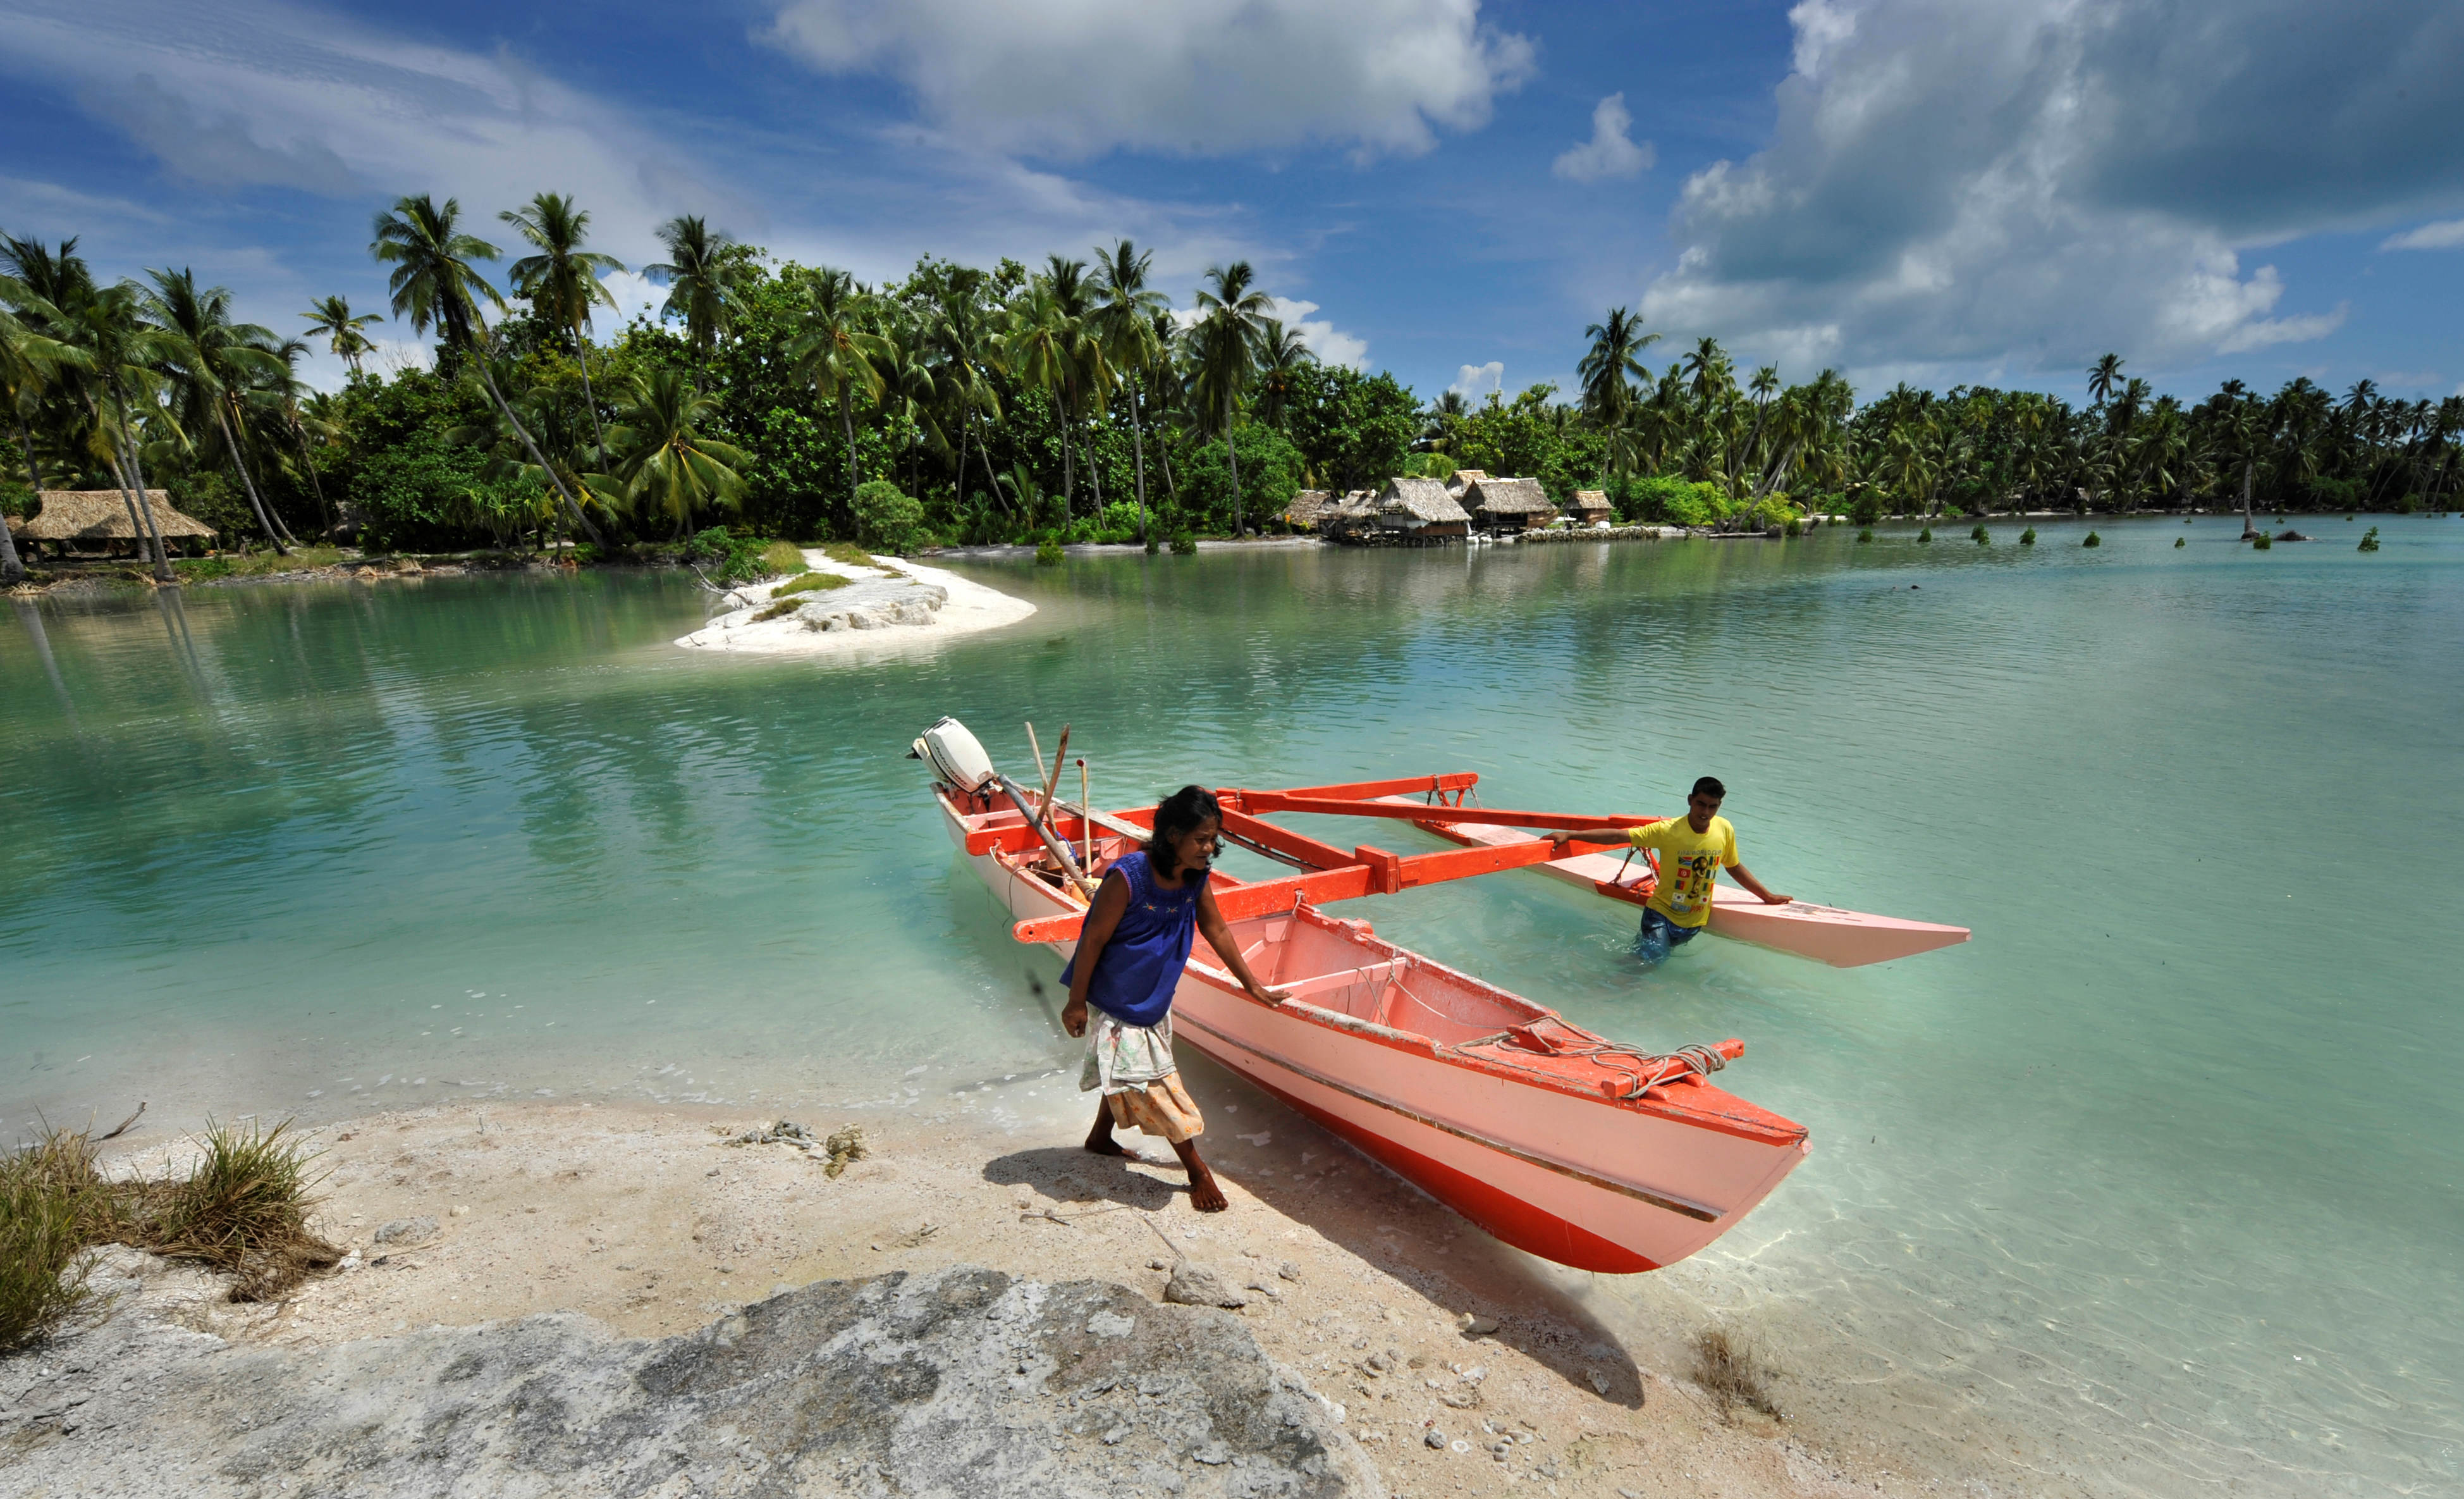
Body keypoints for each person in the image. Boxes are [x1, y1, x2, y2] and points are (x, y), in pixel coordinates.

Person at [1060, 784, 1287, 1212]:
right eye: (1201, 838)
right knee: (1155, 1084)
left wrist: (1250, 984)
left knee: (1135, 1073)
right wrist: (1075, 1002)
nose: (1210, 847)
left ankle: (1098, 1139)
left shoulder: (1194, 876)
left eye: (1213, 838)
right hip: (1115, 999)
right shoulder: (1128, 877)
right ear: (1172, 836)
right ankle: (1196, 1169)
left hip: (1154, 999)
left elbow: (1216, 929)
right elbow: (1092, 939)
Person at [1545, 776, 1793, 965]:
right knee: (1649, 962)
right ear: (1690, 800)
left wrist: (1767, 897)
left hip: (1694, 922)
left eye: (1713, 807)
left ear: (1719, 806)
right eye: (1701, 804)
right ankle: (1606, 991)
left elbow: (1734, 866)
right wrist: (1571, 834)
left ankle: (1616, 975)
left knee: (1644, 960)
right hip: (1661, 914)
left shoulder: (1724, 829)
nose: (1706, 813)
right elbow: (1621, 836)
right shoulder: (1667, 830)